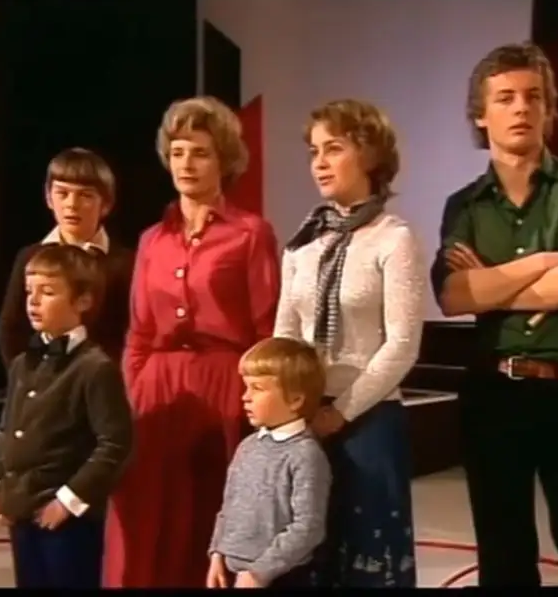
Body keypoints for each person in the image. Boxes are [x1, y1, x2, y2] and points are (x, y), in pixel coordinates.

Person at [429, 42, 558, 586]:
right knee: (504, 558)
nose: (521, 107)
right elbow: (453, 296)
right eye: (505, 98)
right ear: (481, 114)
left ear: (548, 109)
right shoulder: (464, 205)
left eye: (533, 96)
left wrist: (492, 285)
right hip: (494, 393)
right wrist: (546, 262)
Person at [104, 96, 282, 588]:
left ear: (224, 161)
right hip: (157, 394)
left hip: (224, 388)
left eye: (200, 152)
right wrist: (134, 393)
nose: (186, 163)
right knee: (147, 522)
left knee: (211, 521)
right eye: (178, 152)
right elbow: (139, 332)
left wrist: (258, 402)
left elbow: (266, 330)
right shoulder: (151, 240)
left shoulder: (250, 233)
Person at [274, 99, 425, 587]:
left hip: (370, 420)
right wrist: (287, 405)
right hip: (304, 417)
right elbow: (285, 336)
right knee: (309, 555)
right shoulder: (303, 243)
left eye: (333, 148)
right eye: (314, 151)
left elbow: (402, 344)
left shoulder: (394, 238)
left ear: (370, 155)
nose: (319, 162)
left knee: (368, 558)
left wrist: (340, 412)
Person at [0, 244, 134, 588]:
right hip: (22, 507)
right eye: (29, 292)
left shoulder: (94, 368)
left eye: (48, 292)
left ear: (82, 301)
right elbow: (8, 427)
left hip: (68, 517)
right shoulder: (24, 363)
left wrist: (69, 501)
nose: (34, 302)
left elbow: (115, 443)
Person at [207, 337, 332, 589]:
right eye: (246, 387)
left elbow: (308, 527)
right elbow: (228, 508)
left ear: (295, 400)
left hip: (280, 577)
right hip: (233, 572)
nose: (245, 397)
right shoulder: (247, 446)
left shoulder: (305, 455)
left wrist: (258, 573)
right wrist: (217, 553)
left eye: (257, 388)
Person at [0, 147, 134, 366]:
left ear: (106, 204)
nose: (72, 204)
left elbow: (129, 332)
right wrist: (27, 376)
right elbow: (11, 328)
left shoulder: (125, 264)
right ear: (49, 198)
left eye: (85, 195)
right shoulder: (30, 256)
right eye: (62, 193)